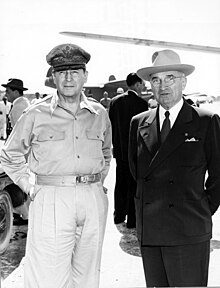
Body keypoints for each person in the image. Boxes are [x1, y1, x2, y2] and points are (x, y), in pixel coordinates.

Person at [0, 43, 112, 288]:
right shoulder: (35, 114)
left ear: (85, 75)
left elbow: (106, 151)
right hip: (52, 197)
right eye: (62, 72)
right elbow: (9, 155)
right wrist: (28, 186)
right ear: (53, 77)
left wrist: (97, 184)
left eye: (75, 71)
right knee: (48, 278)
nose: (69, 77)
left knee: (87, 276)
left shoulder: (99, 113)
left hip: (92, 199)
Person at [129, 49, 220, 287]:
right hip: (152, 230)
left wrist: (200, 208)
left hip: (188, 229)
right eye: (156, 80)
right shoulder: (139, 123)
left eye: (170, 77)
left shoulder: (206, 121)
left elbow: (219, 176)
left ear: (183, 81)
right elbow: (133, 172)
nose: (163, 85)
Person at [109, 72, 148, 229]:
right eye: (143, 83)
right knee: (133, 186)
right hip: (134, 151)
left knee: (120, 184)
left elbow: (110, 127)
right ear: (137, 84)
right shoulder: (141, 104)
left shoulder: (114, 102)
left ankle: (119, 216)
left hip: (119, 151)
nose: (144, 86)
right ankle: (132, 220)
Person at [1, 78, 30, 225]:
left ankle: (24, 214)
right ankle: (22, 212)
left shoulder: (20, 107)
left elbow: (22, 134)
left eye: (8, 91)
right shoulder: (20, 104)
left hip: (20, 152)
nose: (6, 94)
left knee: (15, 182)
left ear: (15, 91)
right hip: (21, 151)